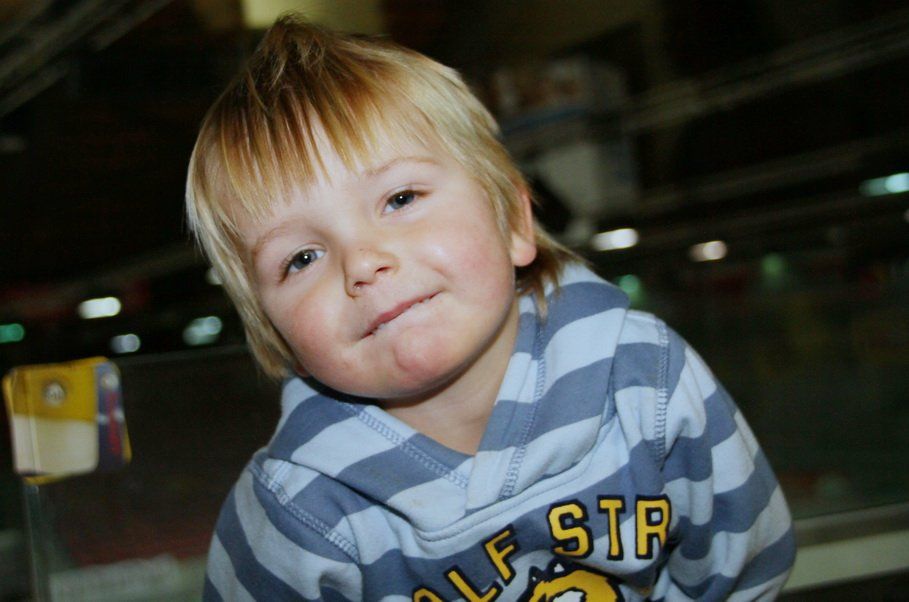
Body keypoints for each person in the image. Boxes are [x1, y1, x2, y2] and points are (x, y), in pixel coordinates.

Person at [186, 14, 795, 601]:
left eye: (401, 198)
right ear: (274, 334)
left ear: (513, 221)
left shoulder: (646, 381)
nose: (362, 262)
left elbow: (746, 566)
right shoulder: (294, 517)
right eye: (301, 258)